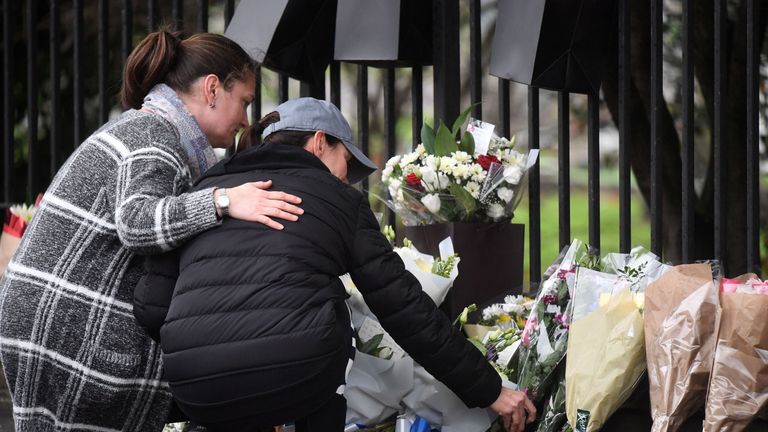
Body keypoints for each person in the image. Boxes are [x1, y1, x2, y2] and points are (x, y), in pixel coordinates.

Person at [136, 97, 537, 432]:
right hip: (298, 376)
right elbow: (404, 308)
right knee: (329, 309)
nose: (346, 178)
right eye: (346, 159)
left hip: (197, 387)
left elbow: (152, 307)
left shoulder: (206, 193)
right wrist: (490, 390)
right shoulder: (338, 199)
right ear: (318, 142)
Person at [0, 29, 304, 432]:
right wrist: (224, 200)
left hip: (50, 320)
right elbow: (138, 222)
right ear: (212, 89)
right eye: (244, 102)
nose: (245, 120)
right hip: (68, 326)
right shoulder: (155, 136)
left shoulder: (150, 128)